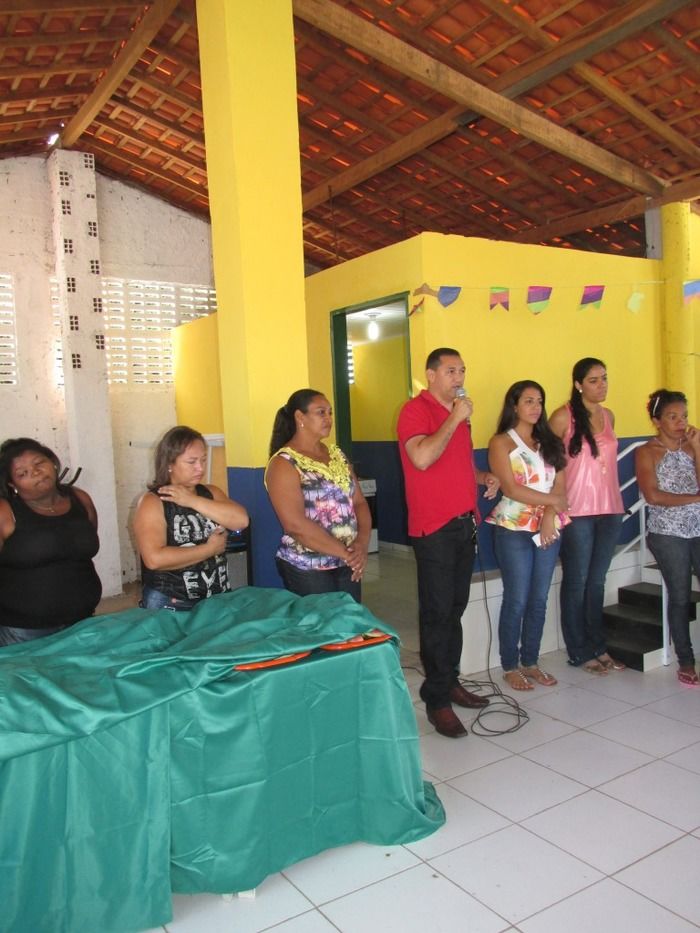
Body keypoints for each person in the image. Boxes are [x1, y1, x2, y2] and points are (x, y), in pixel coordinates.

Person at [397, 348, 498, 739]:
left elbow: (457, 462)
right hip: (434, 529)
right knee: (437, 615)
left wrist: (482, 476)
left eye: (462, 370)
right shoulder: (415, 411)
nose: (458, 377)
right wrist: (455, 418)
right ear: (431, 375)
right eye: (451, 370)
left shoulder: (458, 414)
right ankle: (437, 700)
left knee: (455, 610)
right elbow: (422, 458)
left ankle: (449, 680)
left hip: (464, 524)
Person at [486, 381, 568, 690]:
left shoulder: (551, 441)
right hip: (513, 528)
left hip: (548, 526)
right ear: (514, 405)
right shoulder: (501, 442)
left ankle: (531, 662)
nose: (536, 407)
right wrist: (553, 503)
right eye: (529, 401)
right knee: (517, 598)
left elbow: (560, 485)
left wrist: (548, 516)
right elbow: (511, 489)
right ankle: (510, 665)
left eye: (539, 401)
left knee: (539, 599)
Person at [549, 358, 625, 674]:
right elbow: (549, 462)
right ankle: (579, 651)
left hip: (610, 508)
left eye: (604, 378)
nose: (601, 385)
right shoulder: (562, 416)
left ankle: (598, 646)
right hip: (577, 510)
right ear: (578, 384)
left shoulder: (608, 415)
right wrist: (555, 503)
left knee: (597, 581)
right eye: (593, 380)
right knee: (577, 581)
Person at [266, 388, 370, 601]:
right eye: (321, 412)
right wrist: (347, 553)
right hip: (308, 566)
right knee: (322, 622)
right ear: (300, 417)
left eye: (330, 412)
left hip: (346, 561)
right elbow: (294, 524)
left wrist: (361, 544)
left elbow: (359, 502)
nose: (328, 418)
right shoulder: (284, 463)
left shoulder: (337, 455)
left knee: (349, 620)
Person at [133, 426, 248, 610]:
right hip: (172, 602)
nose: (200, 468)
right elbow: (154, 559)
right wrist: (208, 550)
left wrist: (192, 500)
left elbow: (241, 520)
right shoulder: (152, 502)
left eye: (203, 459)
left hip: (216, 598)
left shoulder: (211, 492)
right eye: (191, 461)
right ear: (170, 464)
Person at [0, 437, 102, 646]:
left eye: (39, 463)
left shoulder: (80, 498)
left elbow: (87, 542)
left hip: (83, 620)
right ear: (12, 484)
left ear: (53, 463)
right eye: (23, 473)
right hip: (25, 631)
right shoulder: (5, 511)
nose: (36, 472)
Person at [635, 389, 700, 686]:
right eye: (672, 417)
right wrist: (695, 499)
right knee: (680, 595)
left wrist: (697, 449)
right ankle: (686, 661)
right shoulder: (646, 452)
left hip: (697, 527)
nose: (680, 422)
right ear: (657, 420)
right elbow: (653, 496)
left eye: (684, 416)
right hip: (667, 532)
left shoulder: (692, 447)